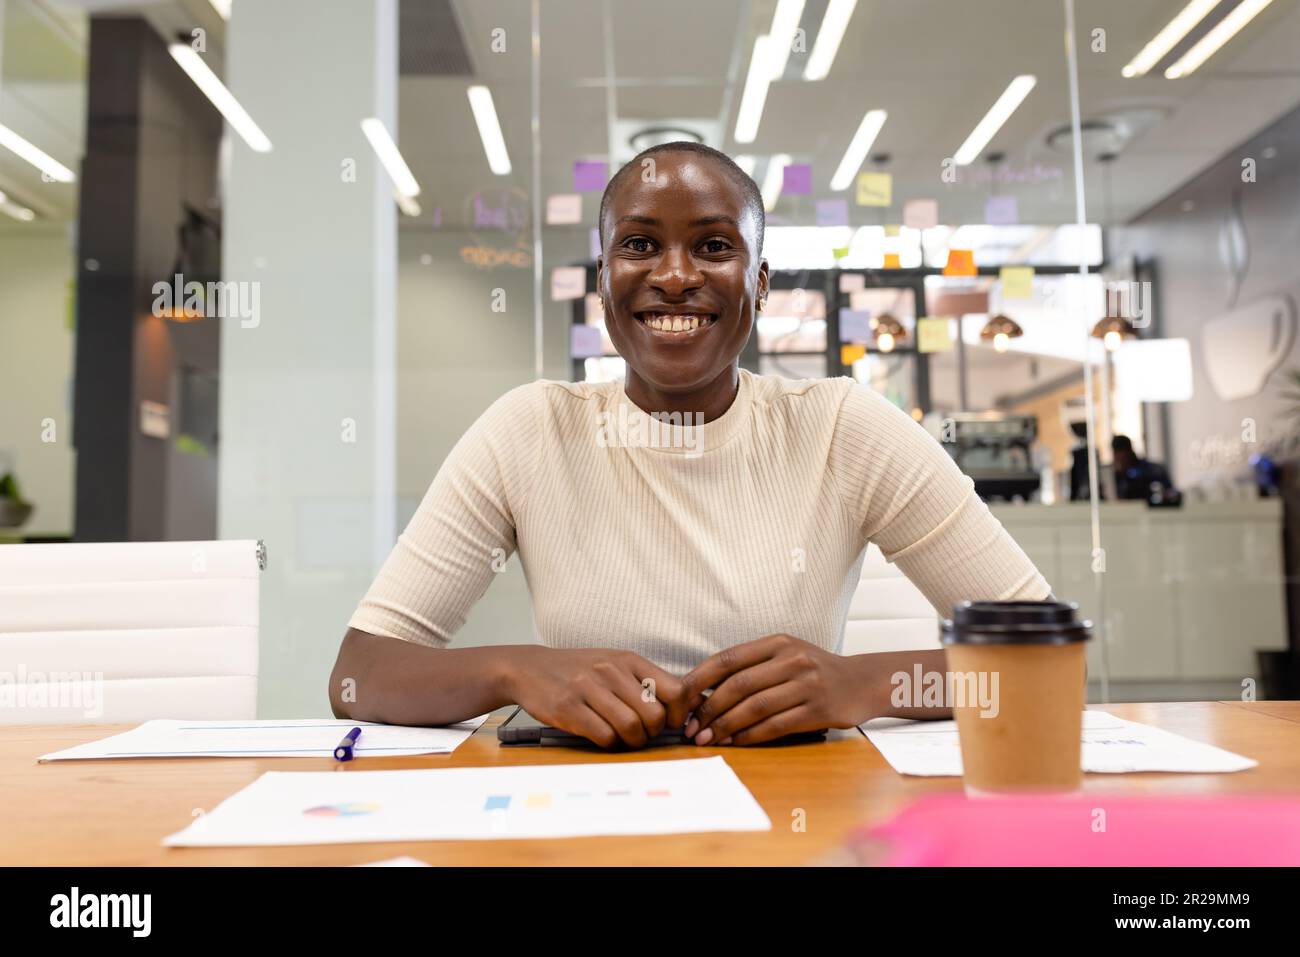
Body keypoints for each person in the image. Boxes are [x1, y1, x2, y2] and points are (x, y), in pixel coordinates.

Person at [328, 142, 1052, 749]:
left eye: (713, 246)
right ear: (605, 280)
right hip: (592, 816)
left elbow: (1043, 654)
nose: (675, 277)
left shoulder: (843, 427)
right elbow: (361, 674)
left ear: (760, 285)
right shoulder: (529, 429)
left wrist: (859, 682)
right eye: (640, 245)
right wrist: (517, 671)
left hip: (796, 815)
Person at [1111, 435, 1175, 501]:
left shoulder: (1151, 470)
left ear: (1129, 452)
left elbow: (1169, 493)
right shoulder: (1115, 475)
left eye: (1121, 453)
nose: (1119, 458)